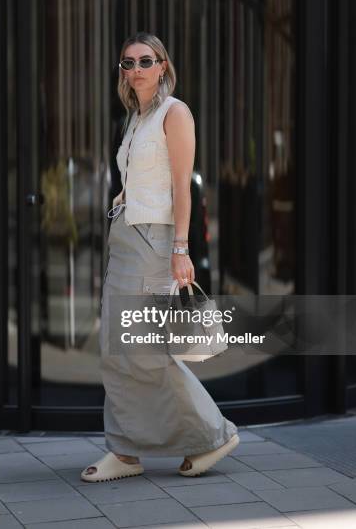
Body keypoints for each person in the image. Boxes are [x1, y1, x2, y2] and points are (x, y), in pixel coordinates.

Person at [81, 32, 239, 482]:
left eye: (145, 61)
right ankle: (126, 451)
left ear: (163, 66)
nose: (135, 70)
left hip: (155, 240)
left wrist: (180, 249)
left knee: (145, 350)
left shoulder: (175, 113)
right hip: (126, 236)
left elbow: (181, 186)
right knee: (115, 349)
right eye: (127, 63)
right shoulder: (136, 117)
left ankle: (212, 435)